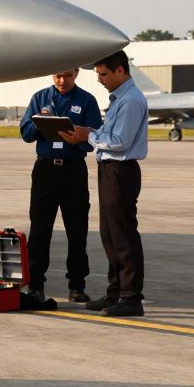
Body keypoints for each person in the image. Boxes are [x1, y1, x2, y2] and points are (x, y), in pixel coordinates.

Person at [60, 49, 148, 317]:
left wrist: (87, 137)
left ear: (120, 70)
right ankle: (116, 292)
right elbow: (109, 134)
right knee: (110, 234)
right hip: (110, 170)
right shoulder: (120, 98)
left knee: (123, 235)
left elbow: (119, 142)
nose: (99, 80)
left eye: (103, 74)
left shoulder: (130, 101)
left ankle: (131, 297)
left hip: (120, 170)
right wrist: (92, 133)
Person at [18, 69, 103, 303]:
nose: (61, 80)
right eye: (57, 75)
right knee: (40, 230)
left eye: (67, 75)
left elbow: (96, 136)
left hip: (73, 170)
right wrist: (40, 121)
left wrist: (80, 137)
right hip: (45, 170)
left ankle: (77, 285)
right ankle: (35, 285)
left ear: (76, 73)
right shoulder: (39, 98)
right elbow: (25, 134)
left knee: (77, 230)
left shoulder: (86, 100)